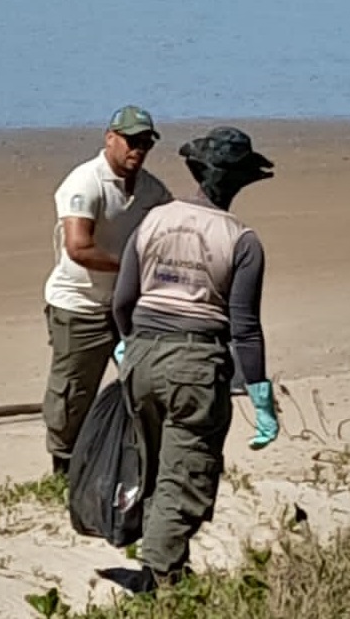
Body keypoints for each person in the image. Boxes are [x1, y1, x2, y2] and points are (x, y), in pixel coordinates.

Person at [111, 125, 280, 591]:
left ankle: (166, 564)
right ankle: (161, 581)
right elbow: (244, 328)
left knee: (154, 463)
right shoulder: (242, 241)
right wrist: (260, 394)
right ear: (241, 182)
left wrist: (129, 345)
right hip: (196, 365)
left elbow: (123, 300)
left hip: (142, 356)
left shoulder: (154, 219)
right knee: (186, 474)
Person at [42, 106, 173, 476]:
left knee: (146, 383)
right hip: (79, 306)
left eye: (146, 142)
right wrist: (133, 267)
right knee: (72, 395)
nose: (138, 149)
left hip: (128, 306)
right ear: (110, 138)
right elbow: (78, 248)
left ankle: (140, 461)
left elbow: (171, 227)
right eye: (132, 141)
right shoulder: (85, 183)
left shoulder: (152, 189)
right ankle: (64, 470)